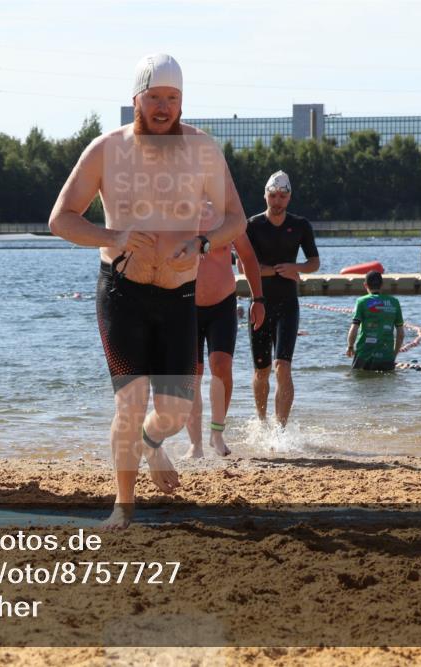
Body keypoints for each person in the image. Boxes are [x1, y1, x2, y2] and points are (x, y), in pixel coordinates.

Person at [48, 53, 247, 529]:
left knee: (176, 413)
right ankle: (123, 504)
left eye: (172, 98)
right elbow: (61, 219)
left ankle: (153, 444)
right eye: (154, 97)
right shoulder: (106, 150)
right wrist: (112, 237)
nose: (163, 107)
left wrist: (203, 241)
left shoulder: (203, 151)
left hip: (180, 296)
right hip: (123, 293)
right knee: (129, 402)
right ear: (135, 98)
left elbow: (236, 219)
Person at [183, 203, 265, 459]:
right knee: (192, 374)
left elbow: (248, 256)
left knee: (221, 365)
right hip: (186, 304)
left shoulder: (224, 216)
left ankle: (216, 433)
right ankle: (195, 443)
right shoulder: (177, 211)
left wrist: (258, 299)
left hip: (222, 302)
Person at [245, 171, 320, 427]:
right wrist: (275, 270)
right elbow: (243, 263)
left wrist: (295, 268)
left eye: (283, 196)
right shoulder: (252, 225)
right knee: (261, 370)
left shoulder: (300, 225)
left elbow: (314, 262)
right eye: (273, 195)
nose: (277, 201)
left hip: (288, 305)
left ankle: (281, 430)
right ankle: (262, 422)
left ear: (289, 198)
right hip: (260, 303)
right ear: (265, 195)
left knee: (283, 367)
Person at [346, 270, 404, 371]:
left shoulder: (362, 301)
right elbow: (400, 334)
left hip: (364, 354)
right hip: (386, 355)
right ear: (382, 285)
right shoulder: (394, 302)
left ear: (365, 285)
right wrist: (393, 354)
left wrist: (350, 346)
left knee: (356, 379)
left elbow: (354, 327)